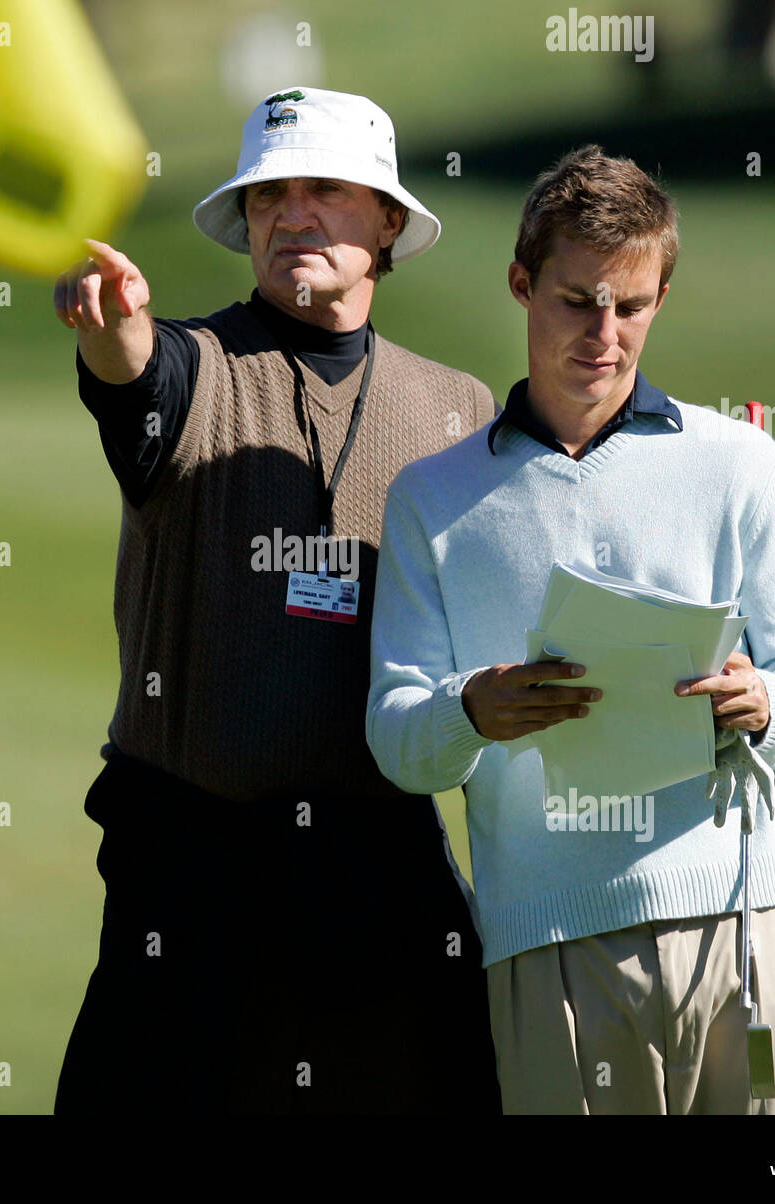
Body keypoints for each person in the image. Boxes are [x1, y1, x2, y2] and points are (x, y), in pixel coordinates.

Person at [366, 145, 775, 1114]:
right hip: (548, 942)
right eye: (576, 300)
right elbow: (398, 734)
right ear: (521, 284)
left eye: (630, 306)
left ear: (659, 297)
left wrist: (766, 702)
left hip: (742, 920)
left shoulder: (741, 462)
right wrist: (470, 709)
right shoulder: (432, 497)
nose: (604, 333)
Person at [51, 86, 501, 1113]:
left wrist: (712, 452)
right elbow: (130, 372)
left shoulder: (457, 408)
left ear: (386, 222)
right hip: (190, 856)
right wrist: (112, 325)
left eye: (326, 192)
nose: (293, 214)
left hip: (374, 853)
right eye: (270, 196)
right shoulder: (195, 366)